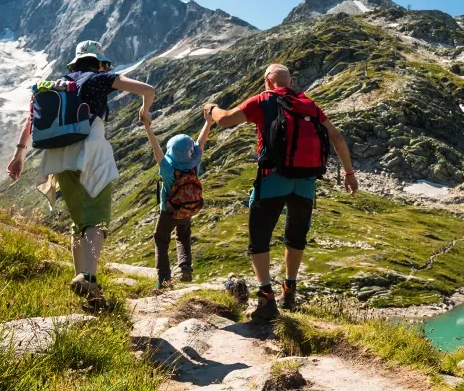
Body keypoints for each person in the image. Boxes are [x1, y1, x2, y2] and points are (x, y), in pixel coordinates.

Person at [7, 40, 155, 308]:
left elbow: (31, 121)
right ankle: (88, 276)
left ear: (75, 63)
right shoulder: (100, 78)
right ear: (98, 62)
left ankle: (86, 285)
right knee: (96, 221)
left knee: (78, 222)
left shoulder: (58, 85)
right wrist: (145, 110)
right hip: (91, 153)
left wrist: (19, 155)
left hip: (59, 156)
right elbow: (147, 89)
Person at [204, 63, 358, 322]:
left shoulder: (264, 100)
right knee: (295, 237)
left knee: (259, 239)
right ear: (291, 81)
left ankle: (266, 298)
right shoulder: (308, 104)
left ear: (267, 81)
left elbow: (226, 120)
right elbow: (337, 137)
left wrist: (211, 109)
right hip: (306, 182)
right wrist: (349, 173)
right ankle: (290, 290)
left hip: (273, 178)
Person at [141, 109, 213, 289]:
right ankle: (185, 266)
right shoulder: (194, 163)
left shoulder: (167, 168)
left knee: (161, 238)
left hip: (169, 211)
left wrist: (147, 127)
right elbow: (201, 142)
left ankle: (164, 278)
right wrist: (208, 122)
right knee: (183, 235)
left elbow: (155, 147)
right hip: (187, 208)